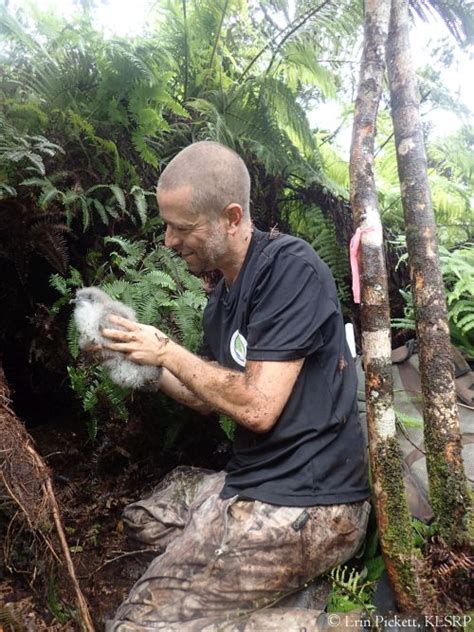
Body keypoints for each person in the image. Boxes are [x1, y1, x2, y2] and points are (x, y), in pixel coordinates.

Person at [101, 141, 370, 631]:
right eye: (166, 225)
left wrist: (167, 351)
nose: (167, 240)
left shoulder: (290, 268)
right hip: (253, 478)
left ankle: (330, 623)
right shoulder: (222, 296)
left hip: (309, 502)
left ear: (230, 216)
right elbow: (210, 397)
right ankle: (249, 591)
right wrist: (143, 363)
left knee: (135, 625)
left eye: (180, 227)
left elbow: (257, 407)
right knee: (144, 518)